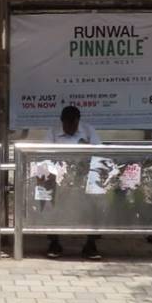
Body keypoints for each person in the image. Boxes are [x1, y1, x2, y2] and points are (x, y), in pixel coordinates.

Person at [46, 105, 102, 260]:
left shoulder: (88, 131)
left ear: (78, 121)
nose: (70, 128)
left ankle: (90, 244)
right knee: (55, 207)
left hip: (83, 176)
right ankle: (54, 243)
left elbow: (99, 152)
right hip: (60, 176)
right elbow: (45, 154)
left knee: (90, 208)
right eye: (67, 124)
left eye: (74, 124)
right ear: (62, 121)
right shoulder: (53, 132)